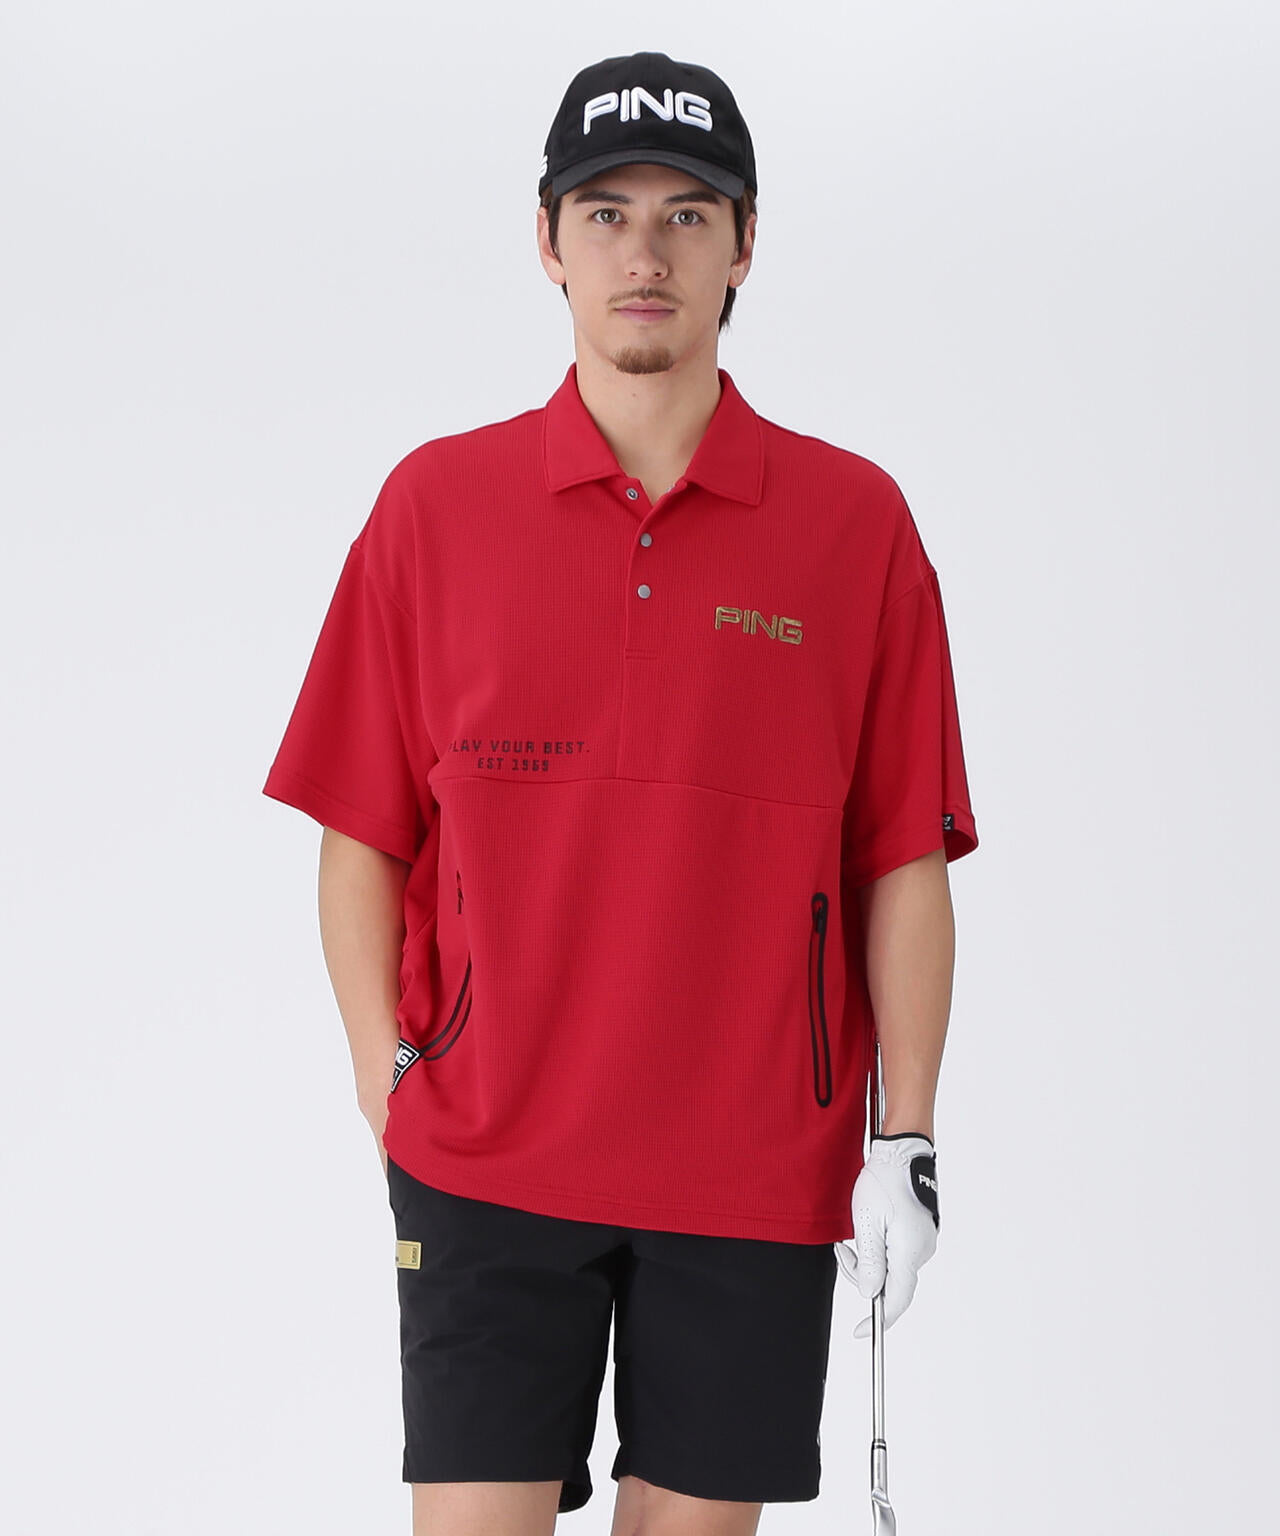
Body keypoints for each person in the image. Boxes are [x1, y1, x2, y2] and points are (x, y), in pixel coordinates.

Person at [262, 48, 978, 1536]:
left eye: (686, 215)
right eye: (605, 214)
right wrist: (385, 1082)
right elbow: (360, 833)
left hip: (754, 1166)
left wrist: (906, 1139)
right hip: (485, 1153)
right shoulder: (434, 509)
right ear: (548, 242)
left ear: (745, 243)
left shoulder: (854, 526)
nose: (644, 254)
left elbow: (902, 855)